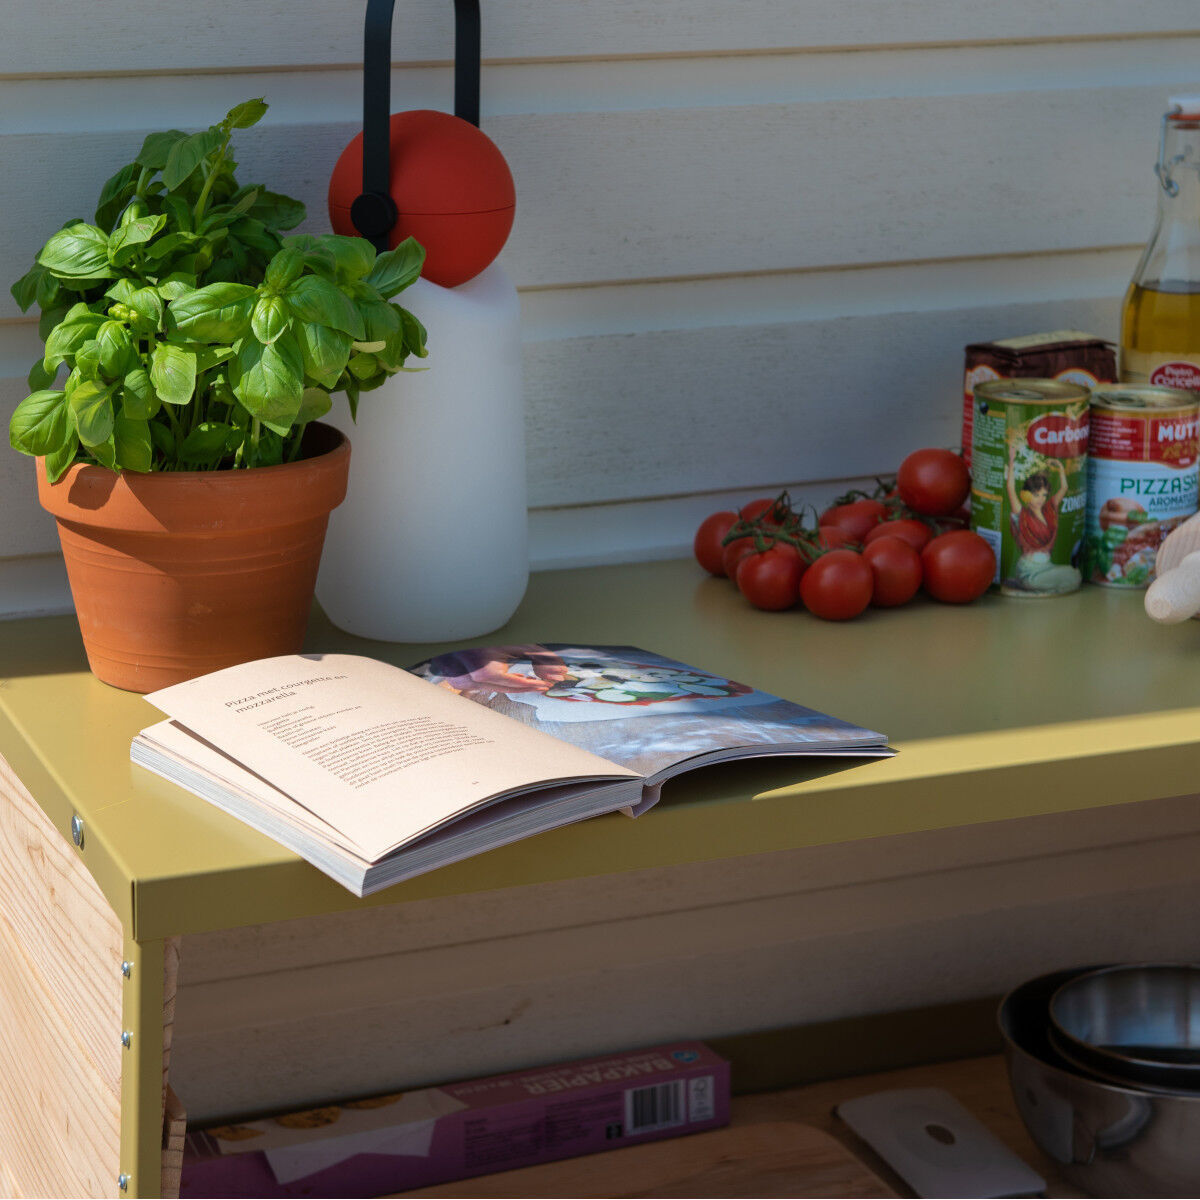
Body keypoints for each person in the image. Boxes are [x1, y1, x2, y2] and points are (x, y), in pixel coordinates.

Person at [1006, 435, 1080, 593]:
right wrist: (1011, 461)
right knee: (1071, 578)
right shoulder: (1022, 513)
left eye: (1043, 495)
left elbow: (1064, 489)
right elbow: (1010, 489)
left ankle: (1036, 586)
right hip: (1028, 570)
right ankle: (1028, 583)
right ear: (1026, 495)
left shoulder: (1049, 511)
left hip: (1047, 567)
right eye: (1036, 494)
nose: (1040, 499)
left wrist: (1061, 470)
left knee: (1074, 575)